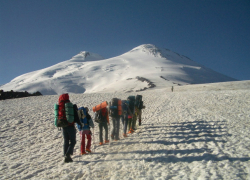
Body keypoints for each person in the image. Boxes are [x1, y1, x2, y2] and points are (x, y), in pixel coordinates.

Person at [58, 93, 82, 163]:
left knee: (66, 141)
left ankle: (65, 155)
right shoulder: (70, 105)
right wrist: (79, 123)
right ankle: (68, 155)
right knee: (73, 141)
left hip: (63, 126)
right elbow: (76, 116)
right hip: (70, 126)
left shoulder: (60, 106)